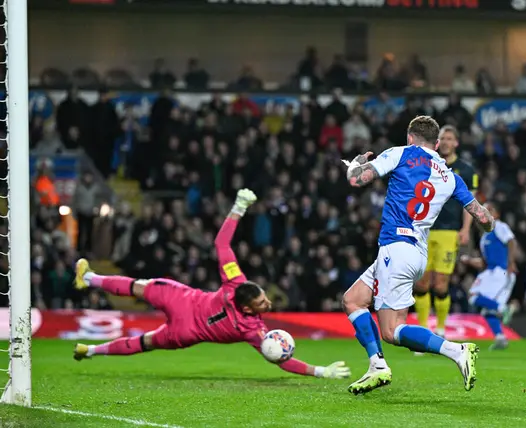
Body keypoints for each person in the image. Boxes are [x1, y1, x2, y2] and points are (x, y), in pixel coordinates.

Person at [73, 189, 351, 381]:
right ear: (246, 306)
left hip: (182, 301)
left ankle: (89, 283)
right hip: (185, 331)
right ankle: (92, 348)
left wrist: (238, 208)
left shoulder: (235, 281)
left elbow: (221, 243)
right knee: (145, 340)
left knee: (138, 287)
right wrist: (319, 371)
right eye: (261, 302)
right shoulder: (252, 329)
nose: (267, 303)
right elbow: (281, 361)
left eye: (264, 299)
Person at [341, 116, 495, 395]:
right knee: (353, 300)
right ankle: (376, 366)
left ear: (410, 137)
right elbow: (484, 219)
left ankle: (456, 351)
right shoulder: (451, 176)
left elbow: (356, 179)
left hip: (396, 248)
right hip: (415, 253)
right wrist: (485, 225)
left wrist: (356, 163)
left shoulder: (400, 153)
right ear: (437, 144)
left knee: (392, 331)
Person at [413, 125, 478, 344]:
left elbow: (470, 203)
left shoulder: (466, 171)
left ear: (456, 143)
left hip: (449, 232)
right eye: (443, 138)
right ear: (438, 142)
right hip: (424, 229)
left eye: (451, 138)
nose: (447, 142)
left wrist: (466, 229)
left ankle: (440, 328)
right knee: (421, 283)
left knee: (440, 284)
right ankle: (423, 330)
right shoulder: (429, 165)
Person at [460, 202, 517, 350]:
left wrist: (511, 263)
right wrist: (470, 261)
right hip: (491, 271)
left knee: (474, 296)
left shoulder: (499, 226)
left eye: (489, 209)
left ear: (496, 214)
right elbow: (484, 263)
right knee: (486, 309)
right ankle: (500, 338)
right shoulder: (485, 236)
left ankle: (503, 308)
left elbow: (511, 241)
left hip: (501, 271)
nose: (484, 212)